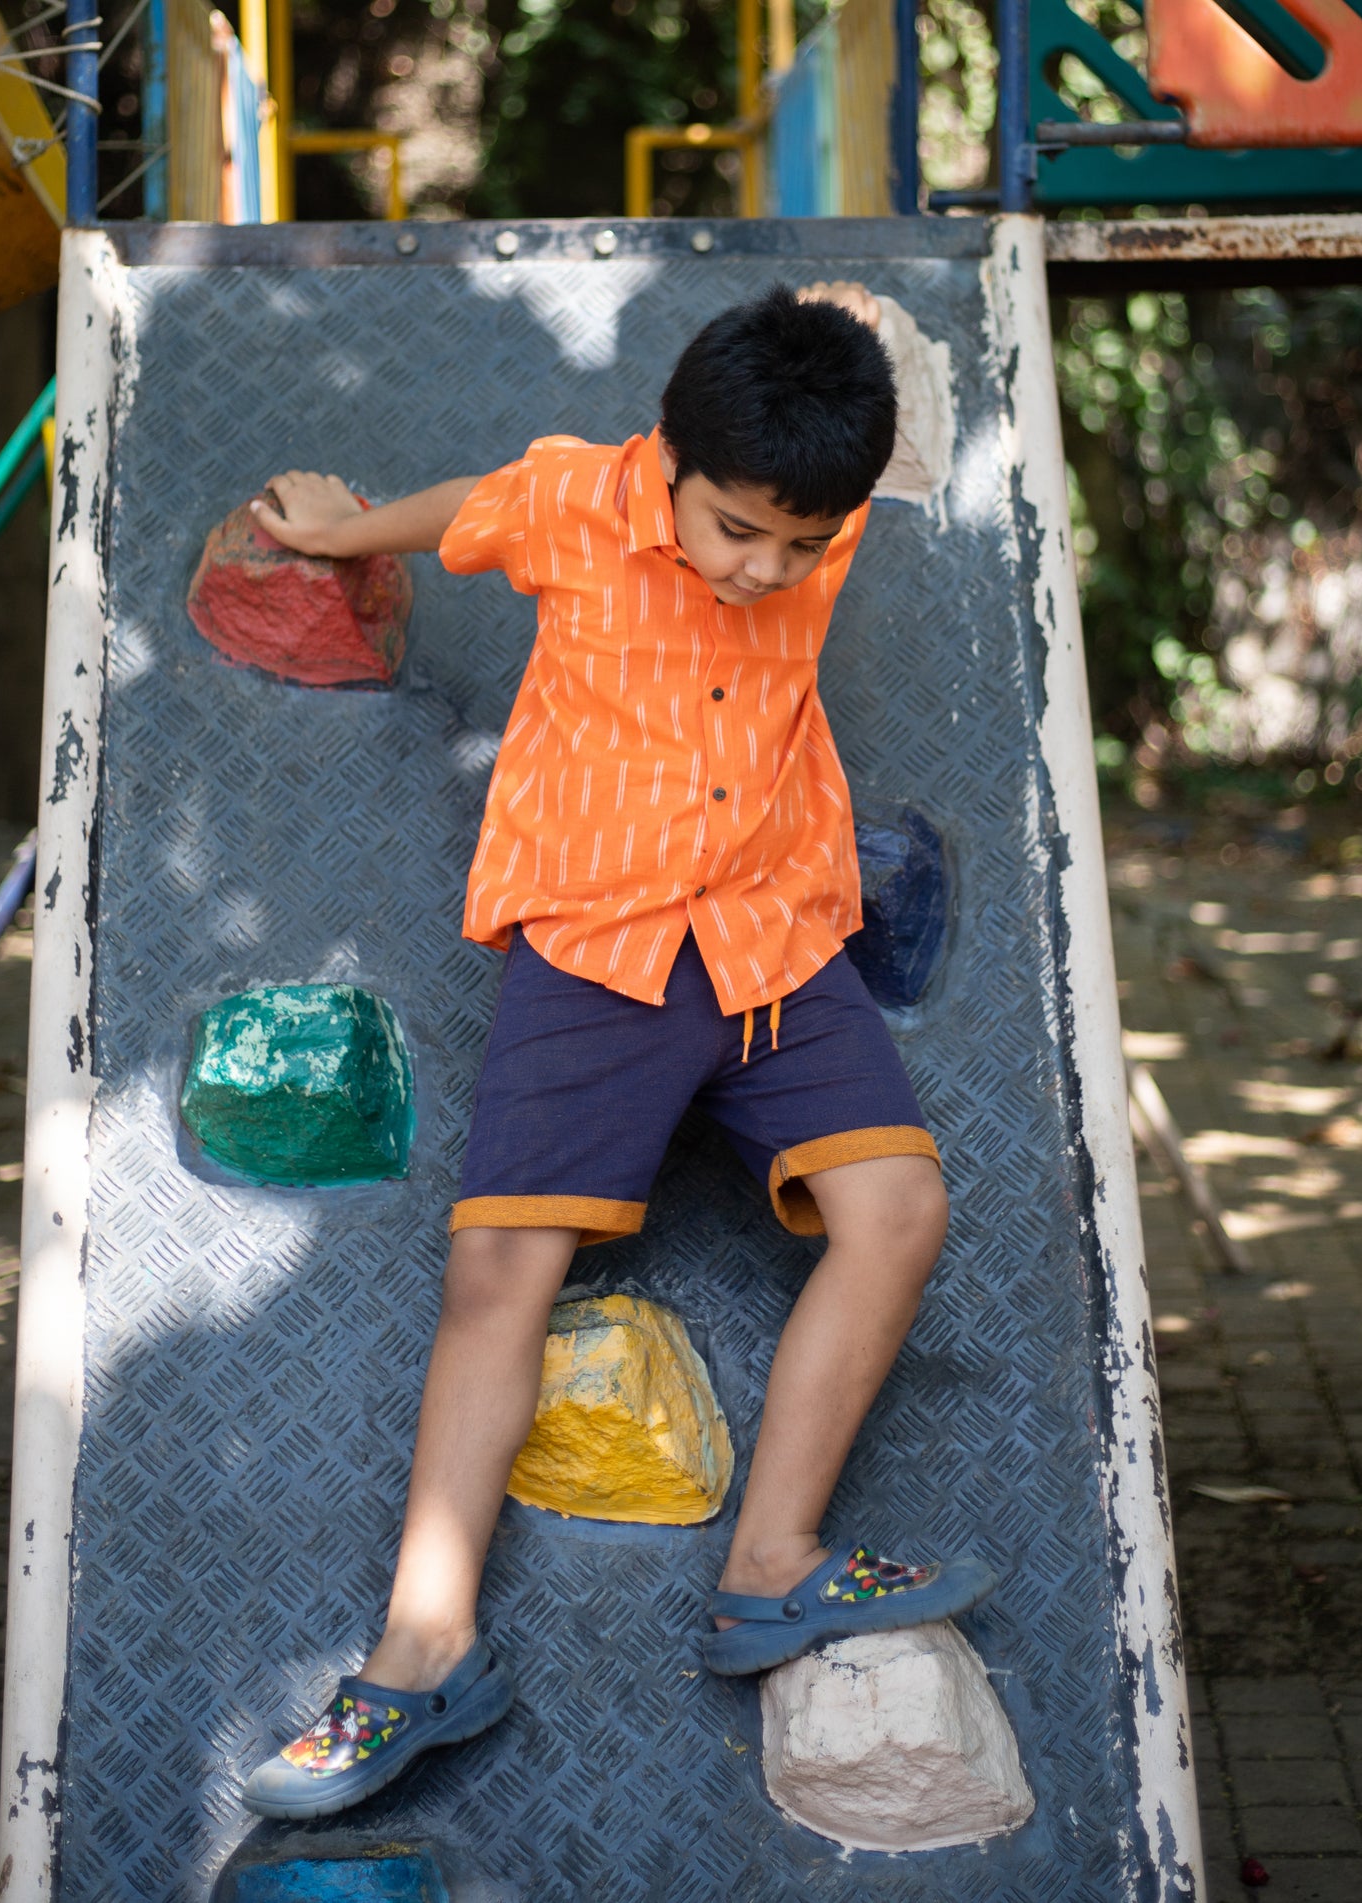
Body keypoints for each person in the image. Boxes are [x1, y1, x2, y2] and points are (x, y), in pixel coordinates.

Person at [240, 281, 995, 1821]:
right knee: (500, 1274)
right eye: (736, 531)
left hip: (777, 935)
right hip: (597, 945)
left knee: (899, 1208)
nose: (767, 567)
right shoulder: (574, 500)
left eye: (802, 542)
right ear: (666, 459)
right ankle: (420, 1651)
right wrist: (344, 530)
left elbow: (817, 455)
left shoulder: (817, 508)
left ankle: (770, 1563)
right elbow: (468, 511)